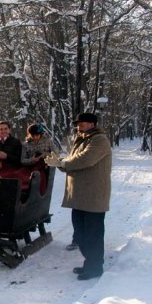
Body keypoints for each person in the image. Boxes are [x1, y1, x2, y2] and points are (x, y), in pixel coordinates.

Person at [45, 112, 112, 281]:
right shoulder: (81, 139)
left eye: (81, 123)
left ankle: (95, 266)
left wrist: (62, 163)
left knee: (93, 234)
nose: (78, 126)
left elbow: (85, 160)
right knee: (80, 233)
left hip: (94, 196)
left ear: (91, 124)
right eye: (78, 124)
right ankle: (90, 263)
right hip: (80, 195)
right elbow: (72, 160)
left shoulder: (99, 140)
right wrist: (61, 162)